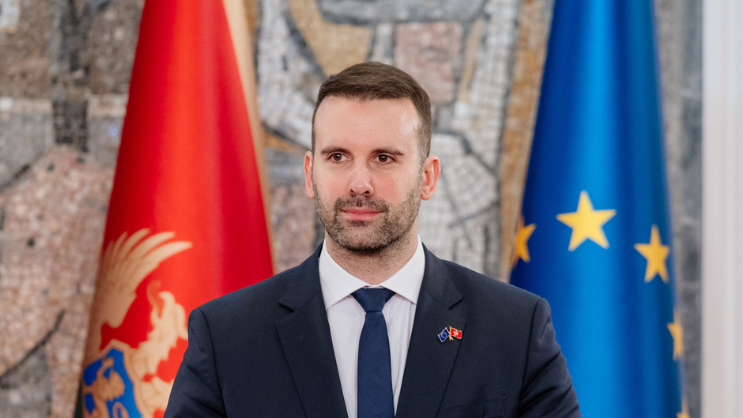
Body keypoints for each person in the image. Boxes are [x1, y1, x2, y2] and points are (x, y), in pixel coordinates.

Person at [165, 62, 580, 418]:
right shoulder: (226, 337)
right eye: (337, 157)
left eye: (384, 158)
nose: (359, 183)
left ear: (427, 177)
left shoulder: (515, 329)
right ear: (310, 174)